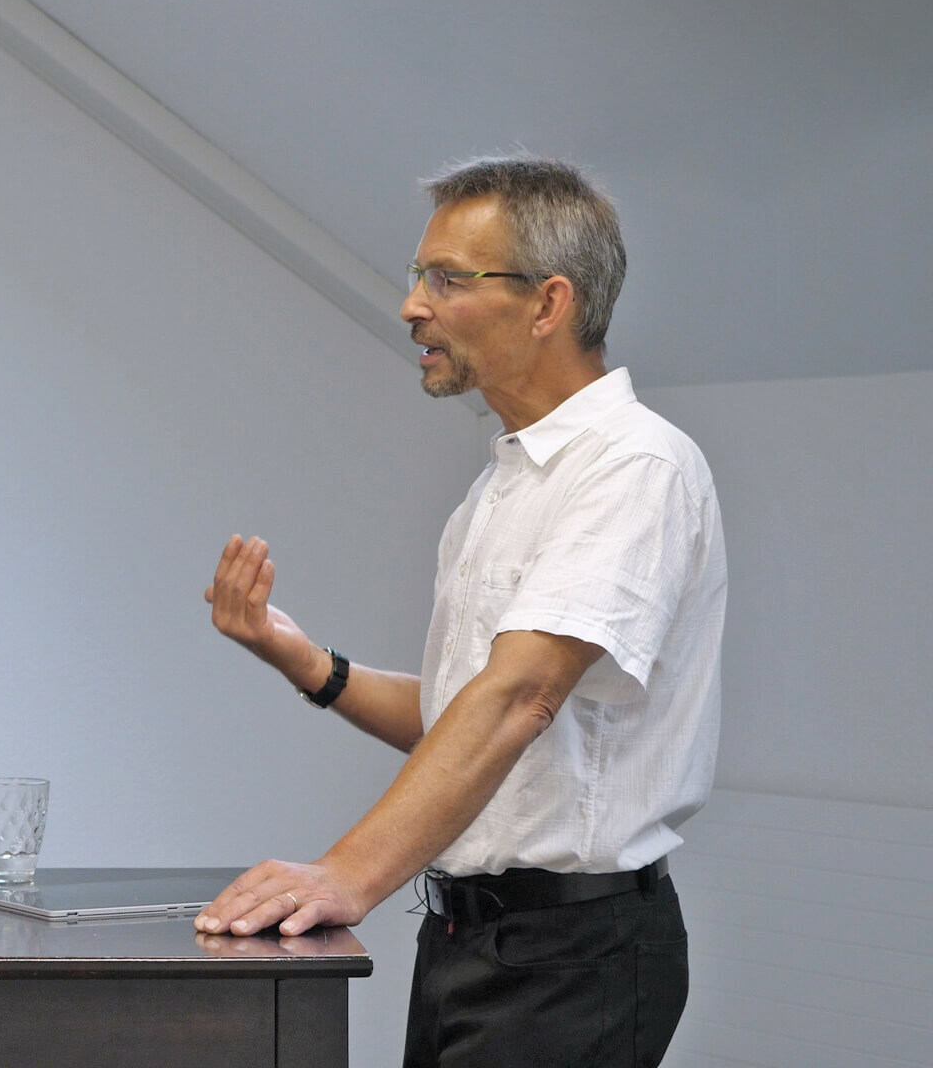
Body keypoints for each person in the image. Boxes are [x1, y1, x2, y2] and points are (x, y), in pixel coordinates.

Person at [197, 156, 725, 1066]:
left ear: (548, 303)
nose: (412, 306)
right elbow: (460, 716)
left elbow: (519, 698)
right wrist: (303, 660)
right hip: (466, 942)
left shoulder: (635, 467)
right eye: (419, 276)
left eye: (446, 279)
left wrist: (346, 874)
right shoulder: (502, 486)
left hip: (573, 958)